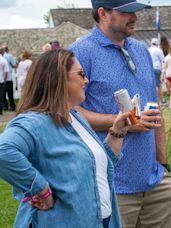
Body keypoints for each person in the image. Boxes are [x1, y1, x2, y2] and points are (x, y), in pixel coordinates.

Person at [69, 0, 171, 227]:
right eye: (127, 12)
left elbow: (154, 108)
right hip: (111, 185)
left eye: (136, 11)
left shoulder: (141, 50)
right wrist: (121, 122)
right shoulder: (79, 53)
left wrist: (163, 164)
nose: (135, 17)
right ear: (102, 13)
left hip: (156, 182)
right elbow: (68, 110)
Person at [0, 49, 130, 227]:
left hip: (102, 220)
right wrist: (41, 189)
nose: (86, 80)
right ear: (58, 78)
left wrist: (118, 131)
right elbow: (3, 150)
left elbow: (96, 167)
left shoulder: (75, 116)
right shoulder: (34, 122)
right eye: (81, 74)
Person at [148, 38, 165, 105]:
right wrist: (163, 71)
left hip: (150, 68)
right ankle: (159, 100)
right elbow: (163, 60)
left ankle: (158, 99)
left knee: (153, 85)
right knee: (158, 85)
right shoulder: (159, 50)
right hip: (157, 68)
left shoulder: (148, 49)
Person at [2, 47, 16, 111]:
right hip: (8, 78)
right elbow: (14, 65)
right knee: (10, 93)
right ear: (7, 50)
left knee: (3, 94)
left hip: (1, 78)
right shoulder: (9, 56)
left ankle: (5, 106)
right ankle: (12, 106)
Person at [0, 48, 9, 115]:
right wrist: (5, 79)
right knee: (1, 95)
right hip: (1, 80)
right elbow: (6, 71)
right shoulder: (3, 60)